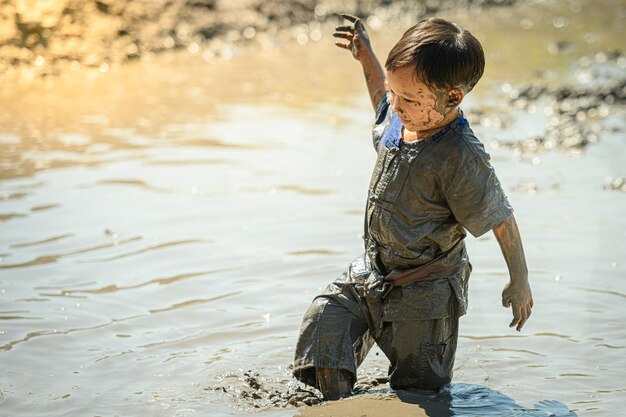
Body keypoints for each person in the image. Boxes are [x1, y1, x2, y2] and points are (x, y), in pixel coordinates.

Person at [293, 14, 534, 400]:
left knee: (420, 392)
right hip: (373, 273)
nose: (396, 105)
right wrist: (365, 56)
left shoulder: (459, 155)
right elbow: (379, 98)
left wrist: (519, 280)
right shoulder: (399, 120)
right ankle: (337, 404)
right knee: (325, 323)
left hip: (427, 291)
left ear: (452, 97)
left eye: (409, 99)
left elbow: (499, 216)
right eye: (395, 93)